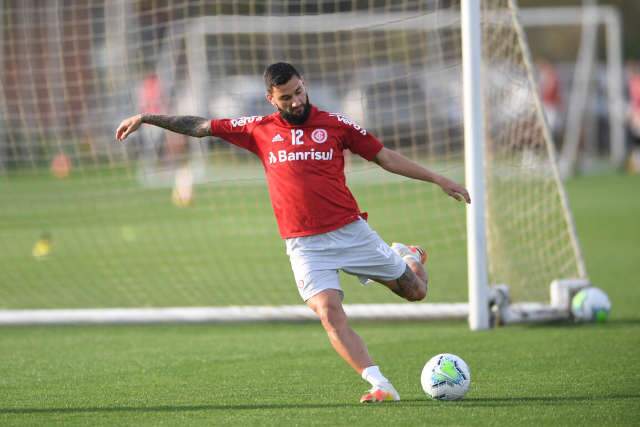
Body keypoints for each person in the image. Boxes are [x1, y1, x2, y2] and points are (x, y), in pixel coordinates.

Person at [116, 62, 470, 403]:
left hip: (350, 231)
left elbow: (385, 157)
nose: (296, 101)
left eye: (299, 91)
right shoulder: (258, 128)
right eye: (286, 97)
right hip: (304, 244)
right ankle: (380, 384)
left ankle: (408, 256)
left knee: (416, 291)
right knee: (329, 313)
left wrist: (439, 178)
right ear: (271, 98)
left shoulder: (335, 124)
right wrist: (148, 118)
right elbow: (201, 126)